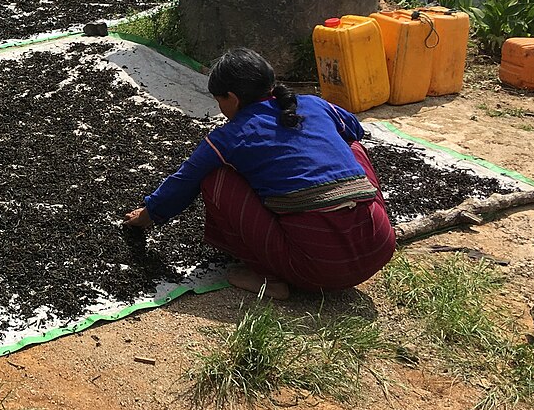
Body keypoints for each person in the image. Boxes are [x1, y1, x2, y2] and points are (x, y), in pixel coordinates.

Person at [124, 48, 395, 299]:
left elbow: (184, 182)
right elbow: (355, 131)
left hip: (319, 267)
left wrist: (148, 215)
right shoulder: (314, 103)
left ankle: (270, 279)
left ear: (232, 98)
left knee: (214, 179)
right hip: (379, 245)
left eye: (219, 100)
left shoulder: (228, 137)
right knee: (353, 147)